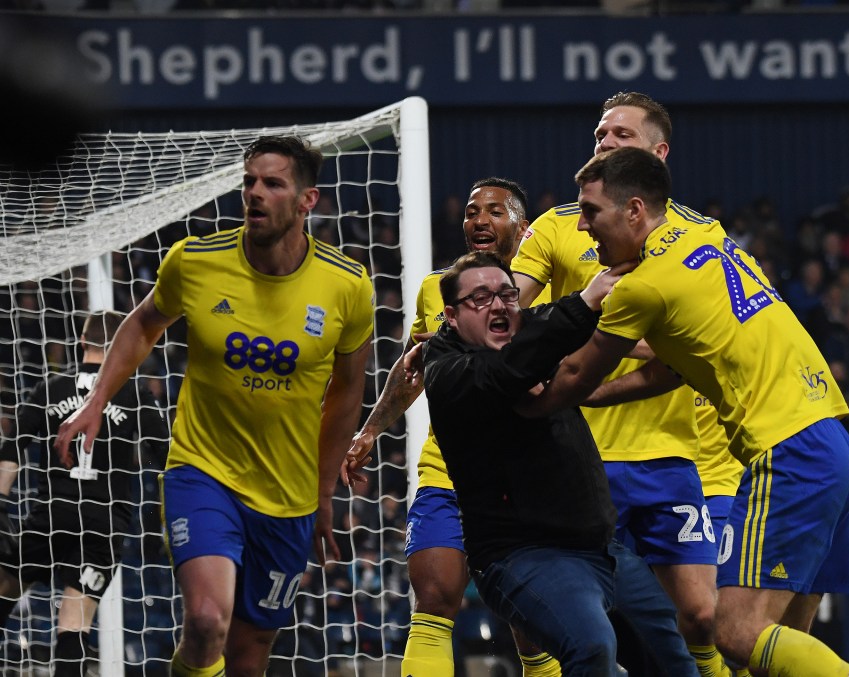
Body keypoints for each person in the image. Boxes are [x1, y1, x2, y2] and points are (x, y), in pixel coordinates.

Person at [528, 147, 849, 676]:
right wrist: (594, 397)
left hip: (786, 450)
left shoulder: (643, 286)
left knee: (733, 631)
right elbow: (669, 368)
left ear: (635, 210)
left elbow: (573, 375)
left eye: (592, 212)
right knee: (778, 645)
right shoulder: (710, 236)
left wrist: (528, 403)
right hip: (834, 442)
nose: (586, 228)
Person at [53, 135, 374, 677]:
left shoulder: (348, 285)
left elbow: (347, 391)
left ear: (306, 201)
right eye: (249, 181)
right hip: (203, 473)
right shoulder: (197, 261)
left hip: (287, 494)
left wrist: (322, 491)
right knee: (205, 620)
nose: (255, 193)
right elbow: (142, 324)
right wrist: (95, 400)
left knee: (249, 654)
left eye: (272, 183)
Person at [512, 90, 742, 676]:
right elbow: (510, 317)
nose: (606, 144)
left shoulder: (702, 236)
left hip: (669, 453)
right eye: (600, 136)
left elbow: (702, 339)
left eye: (622, 136)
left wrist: (598, 336)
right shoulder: (561, 227)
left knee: (699, 617)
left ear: (658, 154)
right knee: (588, 626)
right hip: (578, 453)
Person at [419, 250, 698, 676]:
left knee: (676, 655)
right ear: (451, 317)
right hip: (523, 554)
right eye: (480, 298)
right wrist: (584, 302)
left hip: (602, 549)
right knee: (592, 648)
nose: (498, 305)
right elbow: (507, 372)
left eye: (507, 295)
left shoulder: (530, 335)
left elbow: (547, 329)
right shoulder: (448, 370)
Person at [343, 178, 560, 676]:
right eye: (470, 211)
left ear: (524, 228)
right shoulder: (436, 289)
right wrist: (372, 429)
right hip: (451, 469)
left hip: (532, 476)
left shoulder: (554, 287)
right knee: (435, 601)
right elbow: (413, 368)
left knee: (535, 627)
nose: (479, 220)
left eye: (494, 211)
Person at [0, 310, 168, 677]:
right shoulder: (136, 395)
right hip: (104, 522)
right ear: (122, 345)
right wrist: (164, 516)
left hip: (52, 513)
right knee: (75, 622)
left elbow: (12, 448)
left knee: (7, 585)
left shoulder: (51, 388)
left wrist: (1, 503)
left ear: (82, 342)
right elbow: (167, 459)